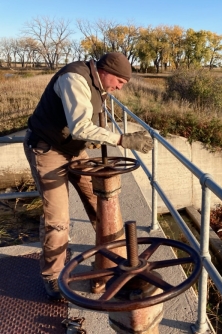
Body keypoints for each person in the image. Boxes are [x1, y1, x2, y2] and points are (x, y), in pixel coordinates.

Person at [23, 52, 153, 300]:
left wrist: (96, 139)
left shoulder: (99, 84)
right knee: (58, 220)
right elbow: (81, 127)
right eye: (120, 83)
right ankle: (52, 277)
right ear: (107, 72)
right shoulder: (74, 78)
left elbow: (89, 124)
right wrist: (122, 139)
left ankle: (112, 262)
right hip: (47, 149)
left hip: (74, 150)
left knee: (103, 204)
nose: (118, 89)